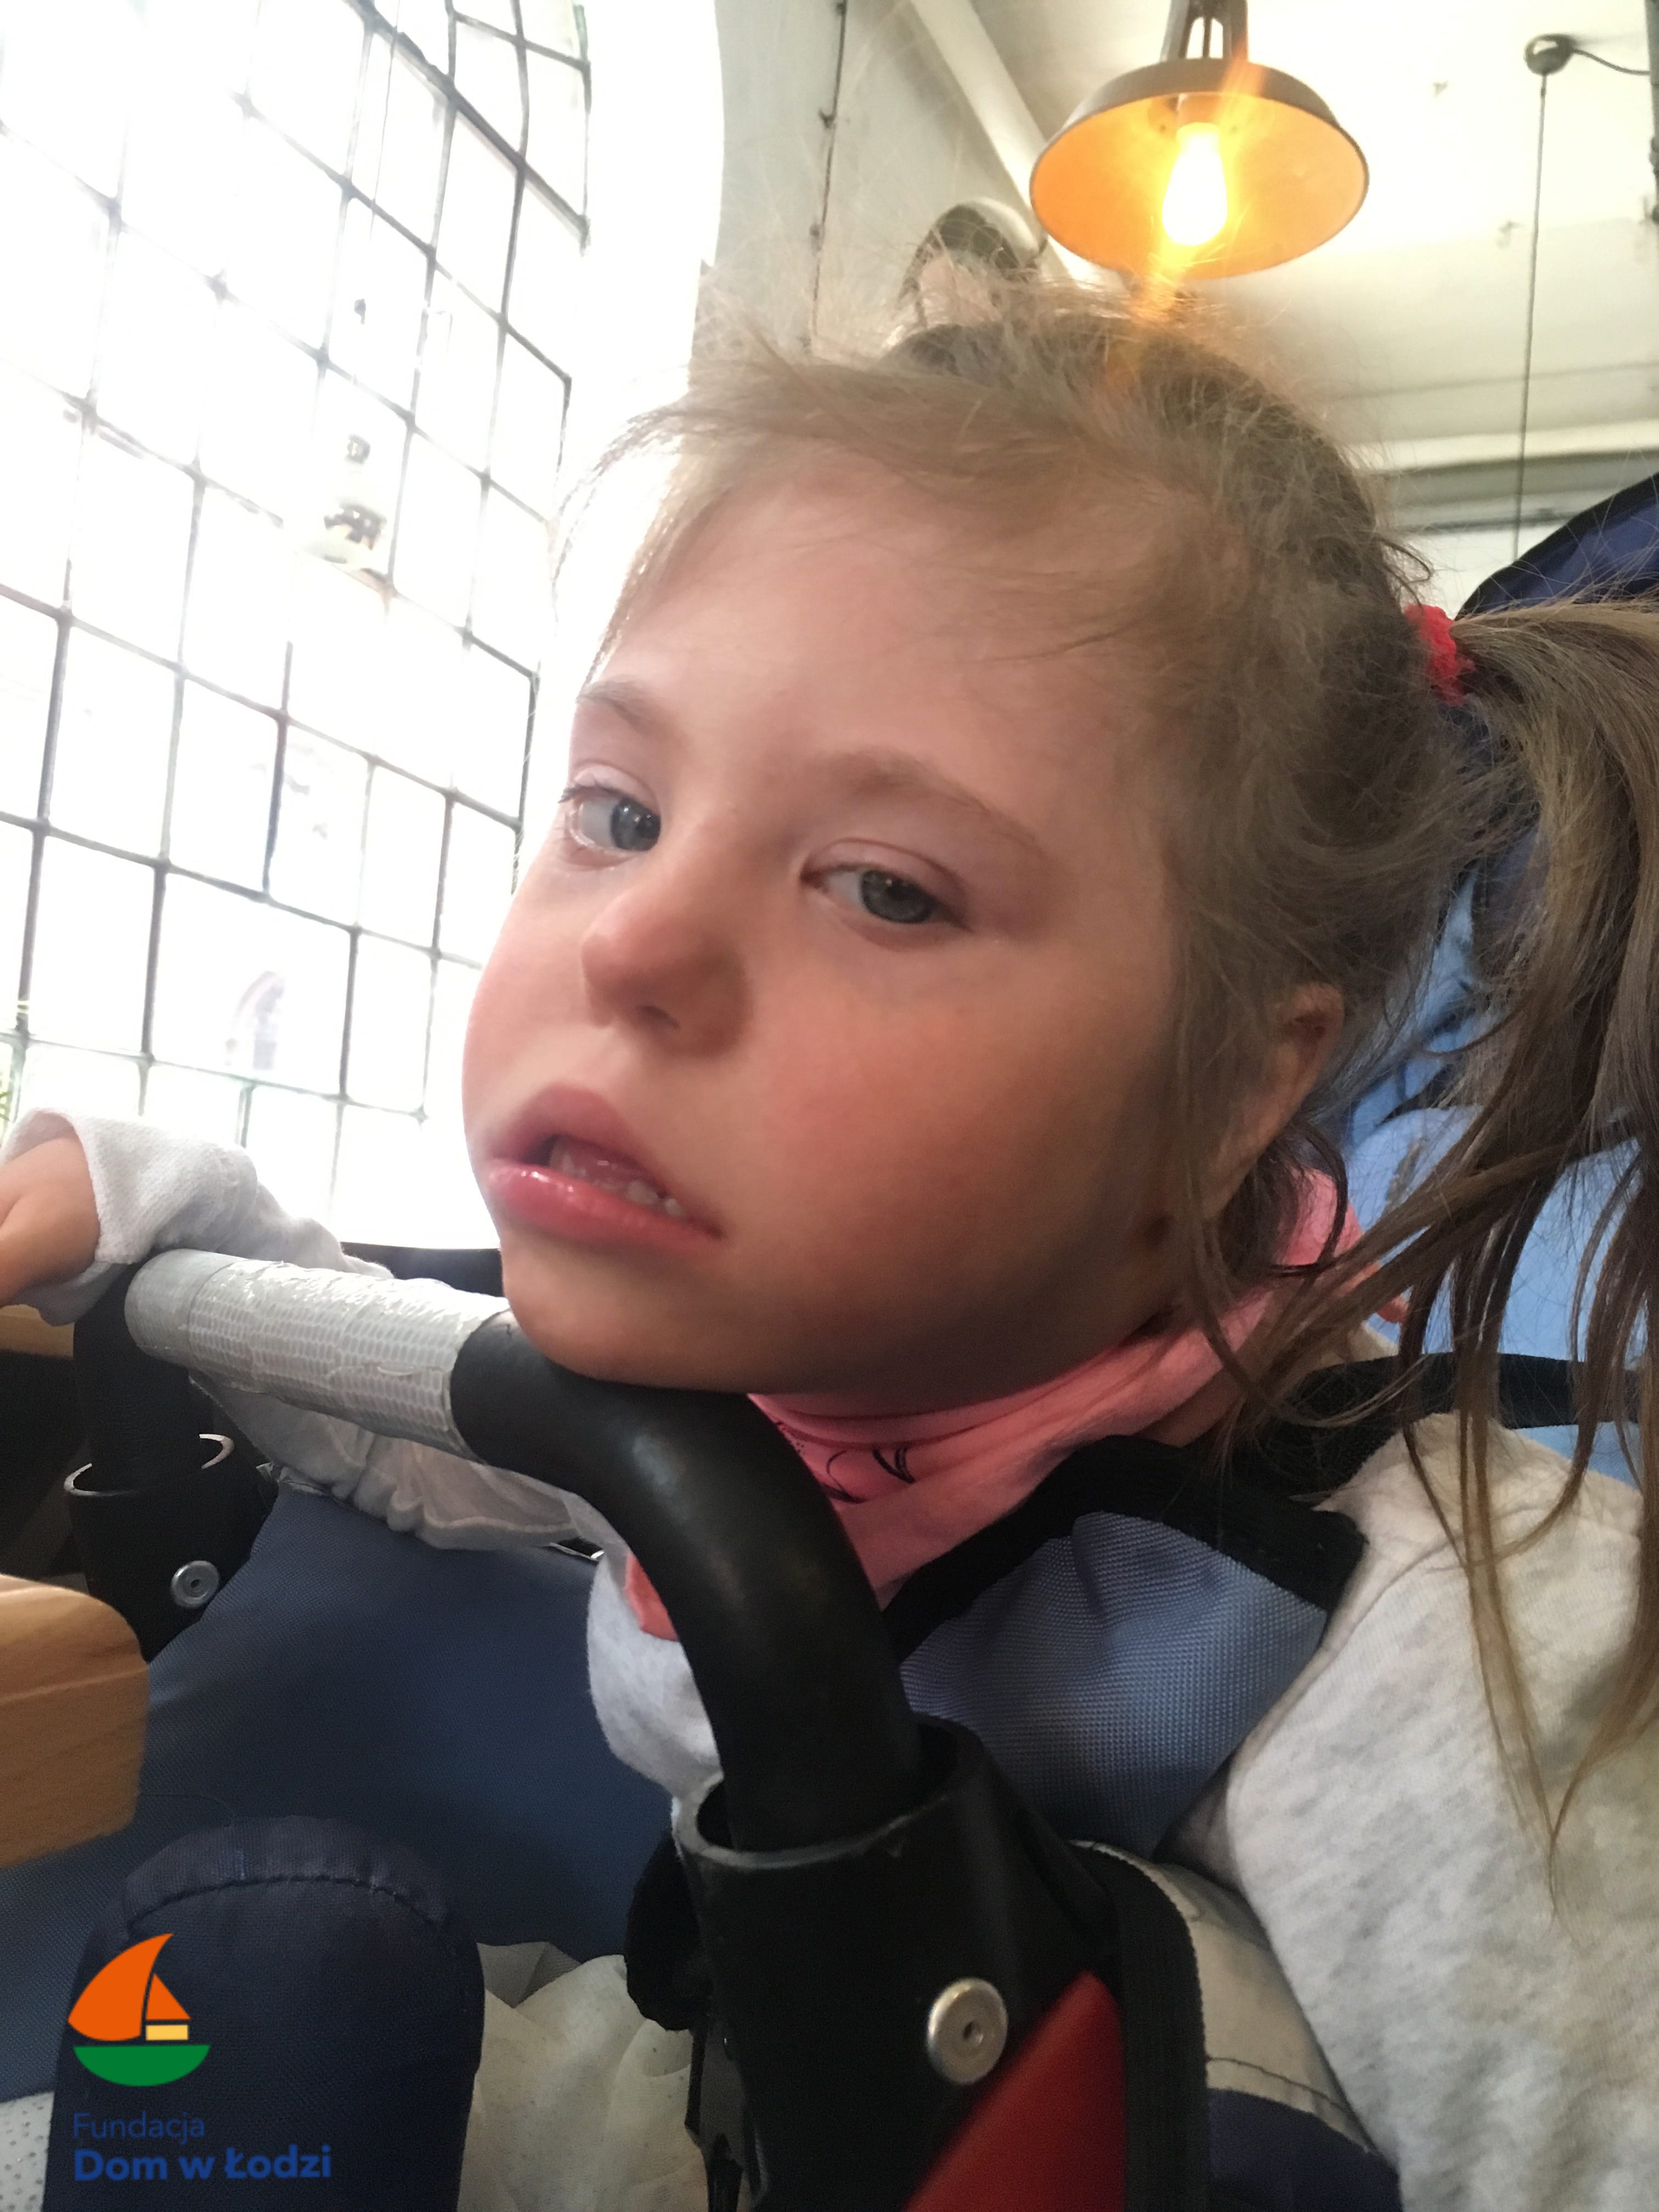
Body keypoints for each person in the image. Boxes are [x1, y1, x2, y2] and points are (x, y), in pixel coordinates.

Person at [3, 288, 1658, 2210]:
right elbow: (455, 1445)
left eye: (887, 888)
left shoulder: (1410, 1652)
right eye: (620, 811)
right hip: (749, 2066)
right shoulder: (786, 1363)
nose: (635, 941)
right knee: (258, 2008)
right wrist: (161, 1214)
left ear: (1231, 1088)